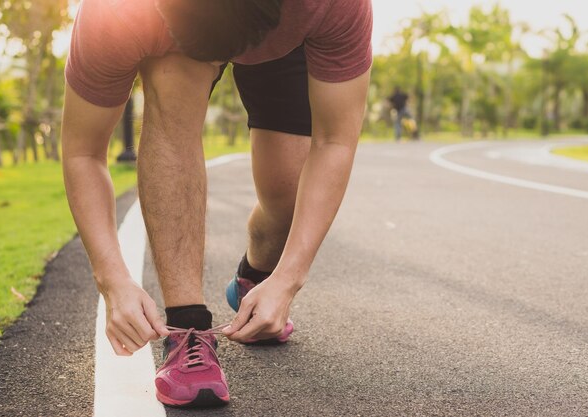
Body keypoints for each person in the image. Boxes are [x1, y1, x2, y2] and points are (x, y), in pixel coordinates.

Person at [61, 0, 372, 409]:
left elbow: (335, 140)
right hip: (176, 38)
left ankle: (254, 278)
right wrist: (112, 280)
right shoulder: (119, 12)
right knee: (174, 80)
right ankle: (186, 328)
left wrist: (286, 280)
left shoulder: (330, 5)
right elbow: (83, 152)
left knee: (287, 196)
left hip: (286, 35)